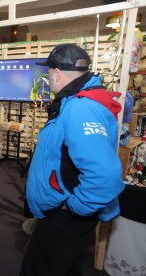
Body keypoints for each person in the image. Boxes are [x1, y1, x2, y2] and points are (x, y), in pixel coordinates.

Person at [20, 44, 125, 276]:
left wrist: (73, 208)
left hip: (65, 214)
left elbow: (105, 176)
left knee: (39, 269)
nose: (48, 78)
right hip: (61, 210)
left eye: (48, 73)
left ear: (57, 73)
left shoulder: (81, 109)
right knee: (64, 265)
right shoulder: (73, 102)